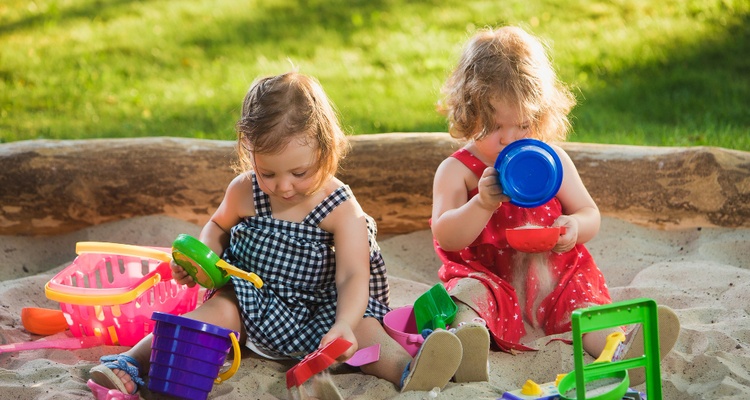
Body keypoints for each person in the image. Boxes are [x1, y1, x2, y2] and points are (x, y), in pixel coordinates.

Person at [88, 71, 464, 396]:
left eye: (299, 173)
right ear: (248, 152)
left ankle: (408, 370)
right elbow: (217, 225)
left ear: (326, 149)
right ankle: (131, 361)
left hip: (324, 314)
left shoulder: (340, 207)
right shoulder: (244, 191)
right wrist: (202, 259)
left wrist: (344, 324)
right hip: (252, 303)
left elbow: (353, 275)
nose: (283, 187)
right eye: (268, 173)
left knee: (367, 329)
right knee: (211, 313)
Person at [430, 26, 680, 385]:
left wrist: (575, 228)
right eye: (495, 126)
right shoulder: (458, 171)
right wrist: (483, 204)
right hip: (490, 277)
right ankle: (468, 347)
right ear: (469, 115)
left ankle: (619, 349)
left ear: (541, 116)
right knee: (466, 297)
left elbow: (589, 213)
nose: (510, 139)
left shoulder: (552, 161)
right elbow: (448, 236)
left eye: (524, 125)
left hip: (554, 274)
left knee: (584, 303)